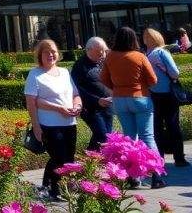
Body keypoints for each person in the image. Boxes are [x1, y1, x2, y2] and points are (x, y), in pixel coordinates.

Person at [100, 27, 162, 188]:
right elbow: (153, 80)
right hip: (140, 98)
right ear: (134, 39)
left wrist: (117, 88)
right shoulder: (139, 56)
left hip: (120, 100)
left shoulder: (110, 57)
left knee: (128, 139)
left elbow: (103, 79)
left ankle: (133, 178)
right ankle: (157, 176)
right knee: (147, 137)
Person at [24, 38, 81, 200]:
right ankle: (53, 189)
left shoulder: (64, 72)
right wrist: (36, 126)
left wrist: (77, 106)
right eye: (47, 52)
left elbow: (75, 94)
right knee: (59, 157)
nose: (51, 55)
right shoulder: (35, 74)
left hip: (69, 123)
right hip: (48, 124)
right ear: (40, 55)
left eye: (54, 51)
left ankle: (51, 187)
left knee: (68, 158)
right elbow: (31, 102)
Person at [145, 28, 188, 167]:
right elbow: (174, 73)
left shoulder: (153, 53)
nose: (145, 39)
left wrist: (160, 72)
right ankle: (173, 158)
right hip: (162, 94)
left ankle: (167, 158)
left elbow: (174, 73)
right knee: (168, 126)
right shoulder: (155, 53)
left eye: (147, 36)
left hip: (159, 94)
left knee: (163, 126)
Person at [70, 37, 113, 151]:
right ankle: (90, 159)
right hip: (91, 108)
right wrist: (96, 100)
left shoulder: (103, 62)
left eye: (104, 51)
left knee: (106, 137)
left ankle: (90, 159)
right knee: (102, 136)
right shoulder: (80, 66)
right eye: (100, 51)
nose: (103, 54)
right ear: (89, 50)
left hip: (107, 106)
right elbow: (76, 89)